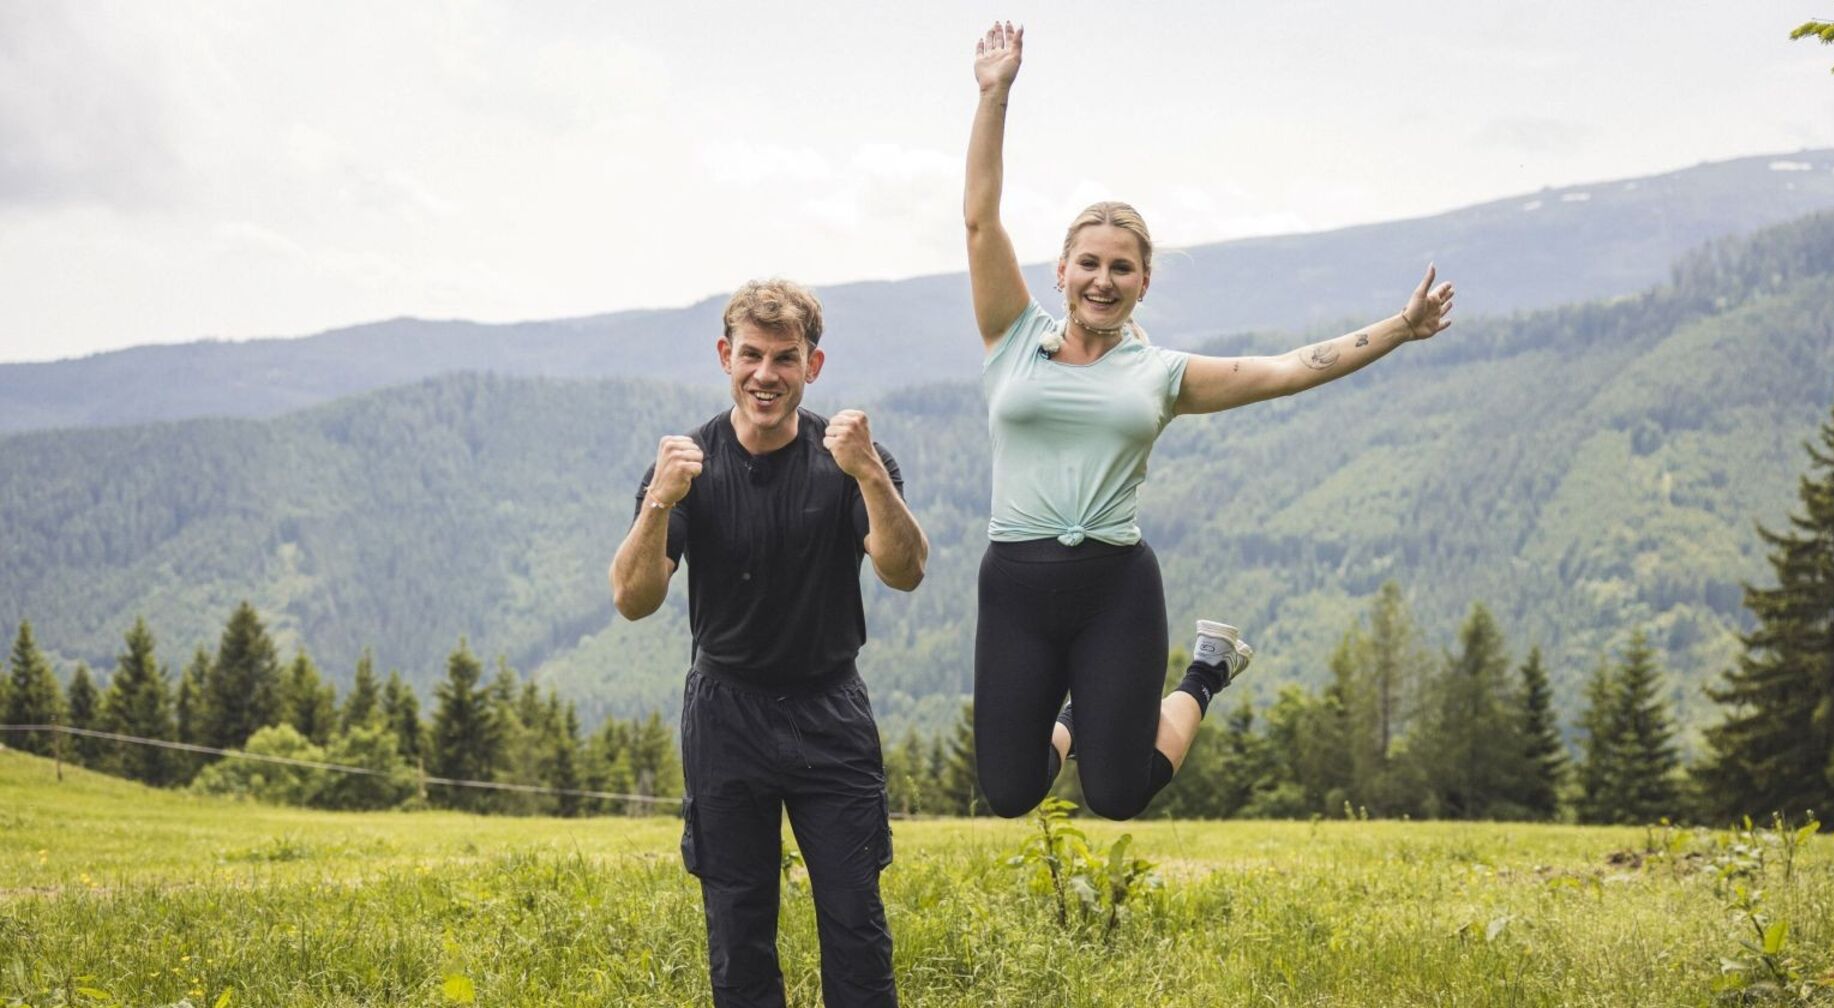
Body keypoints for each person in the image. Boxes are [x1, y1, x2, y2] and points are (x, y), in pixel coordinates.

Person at [963, 22, 1455, 821]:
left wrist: (1400, 328)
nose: (1102, 279)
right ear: (1060, 271)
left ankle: (1204, 673)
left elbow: (1290, 369)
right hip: (1016, 582)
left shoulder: (1161, 375)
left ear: (1144, 281)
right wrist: (995, 96)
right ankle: (1088, 714)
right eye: (1089, 263)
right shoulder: (1010, 334)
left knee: (1119, 793)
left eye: (1122, 267)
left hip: (1114, 585)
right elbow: (982, 222)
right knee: (1012, 790)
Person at [608, 278, 928, 1008]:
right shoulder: (688, 464)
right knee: (738, 925)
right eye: (751, 355)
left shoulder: (851, 459)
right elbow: (632, 599)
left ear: (812, 365)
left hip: (830, 708)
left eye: (785, 358)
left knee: (855, 918)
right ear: (726, 357)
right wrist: (658, 500)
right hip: (726, 712)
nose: (766, 375)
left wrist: (869, 474)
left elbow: (905, 570)